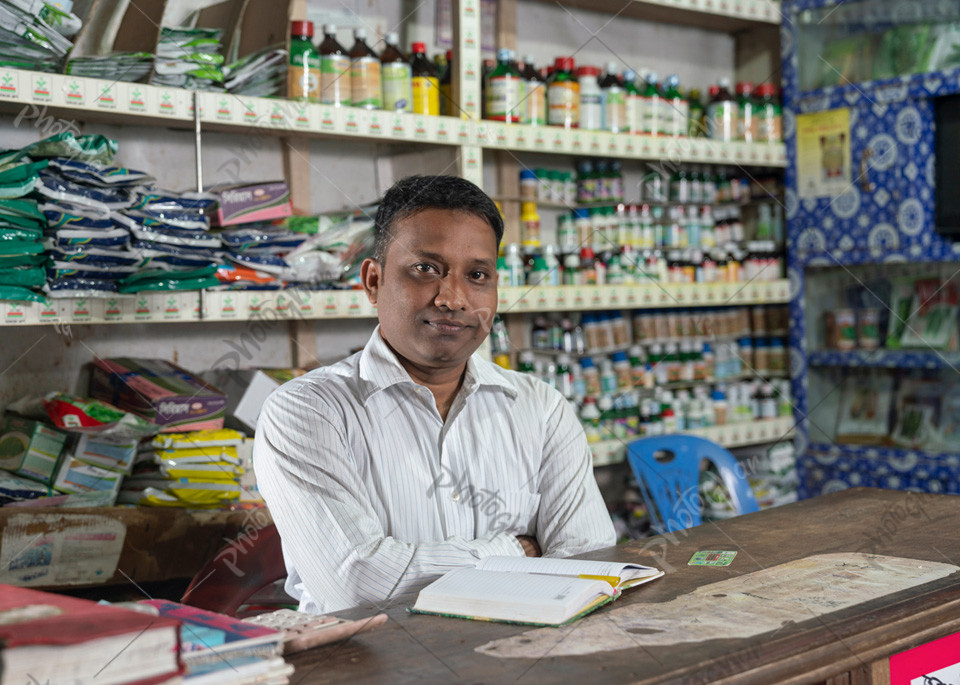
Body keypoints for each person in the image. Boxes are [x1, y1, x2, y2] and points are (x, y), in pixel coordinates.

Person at [254, 175, 616, 614]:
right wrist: (517, 551)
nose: (454, 298)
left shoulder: (541, 409)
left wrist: (417, 568)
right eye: (426, 269)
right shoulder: (308, 412)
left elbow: (587, 568)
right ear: (373, 280)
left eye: (477, 275)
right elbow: (356, 586)